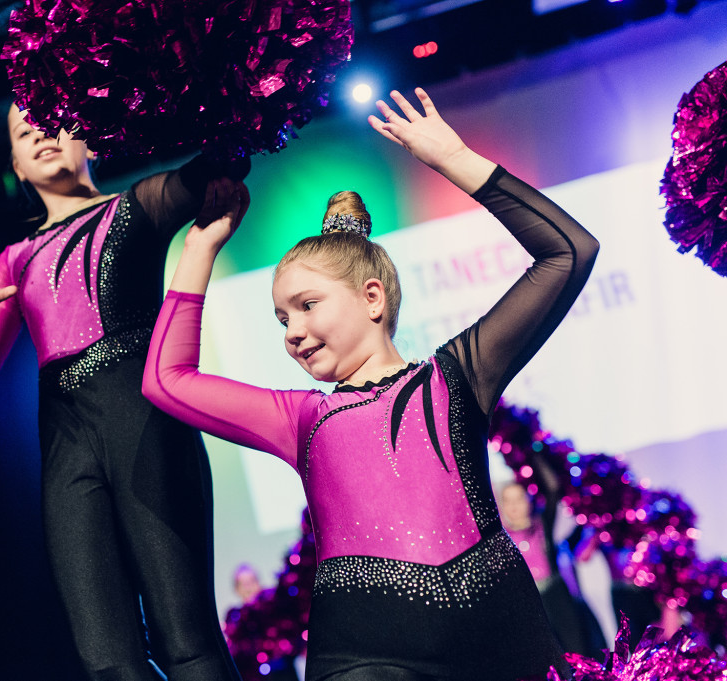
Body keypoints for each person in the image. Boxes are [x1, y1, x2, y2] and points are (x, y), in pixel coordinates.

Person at [143, 87, 600, 680]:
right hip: (366, 647)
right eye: (282, 319)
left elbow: (569, 252)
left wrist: (454, 159)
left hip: (501, 628)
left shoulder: (456, 378)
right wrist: (200, 246)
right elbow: (166, 380)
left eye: (306, 305)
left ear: (373, 297)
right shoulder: (301, 418)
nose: (294, 332)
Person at [0, 103, 247, 681]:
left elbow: (224, 164)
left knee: (185, 639)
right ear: (15, 166)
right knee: (106, 660)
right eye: (23, 134)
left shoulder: (137, 207)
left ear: (89, 137)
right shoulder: (15, 259)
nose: (39, 137)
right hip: (65, 443)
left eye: (50, 122)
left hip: (145, 422)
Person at [498, 479, 607, 660]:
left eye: (518, 499)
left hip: (556, 596)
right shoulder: (502, 537)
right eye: (507, 500)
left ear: (529, 499)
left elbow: (552, 488)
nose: (513, 506)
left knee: (577, 650)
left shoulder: (542, 525)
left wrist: (527, 454)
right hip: (531, 602)